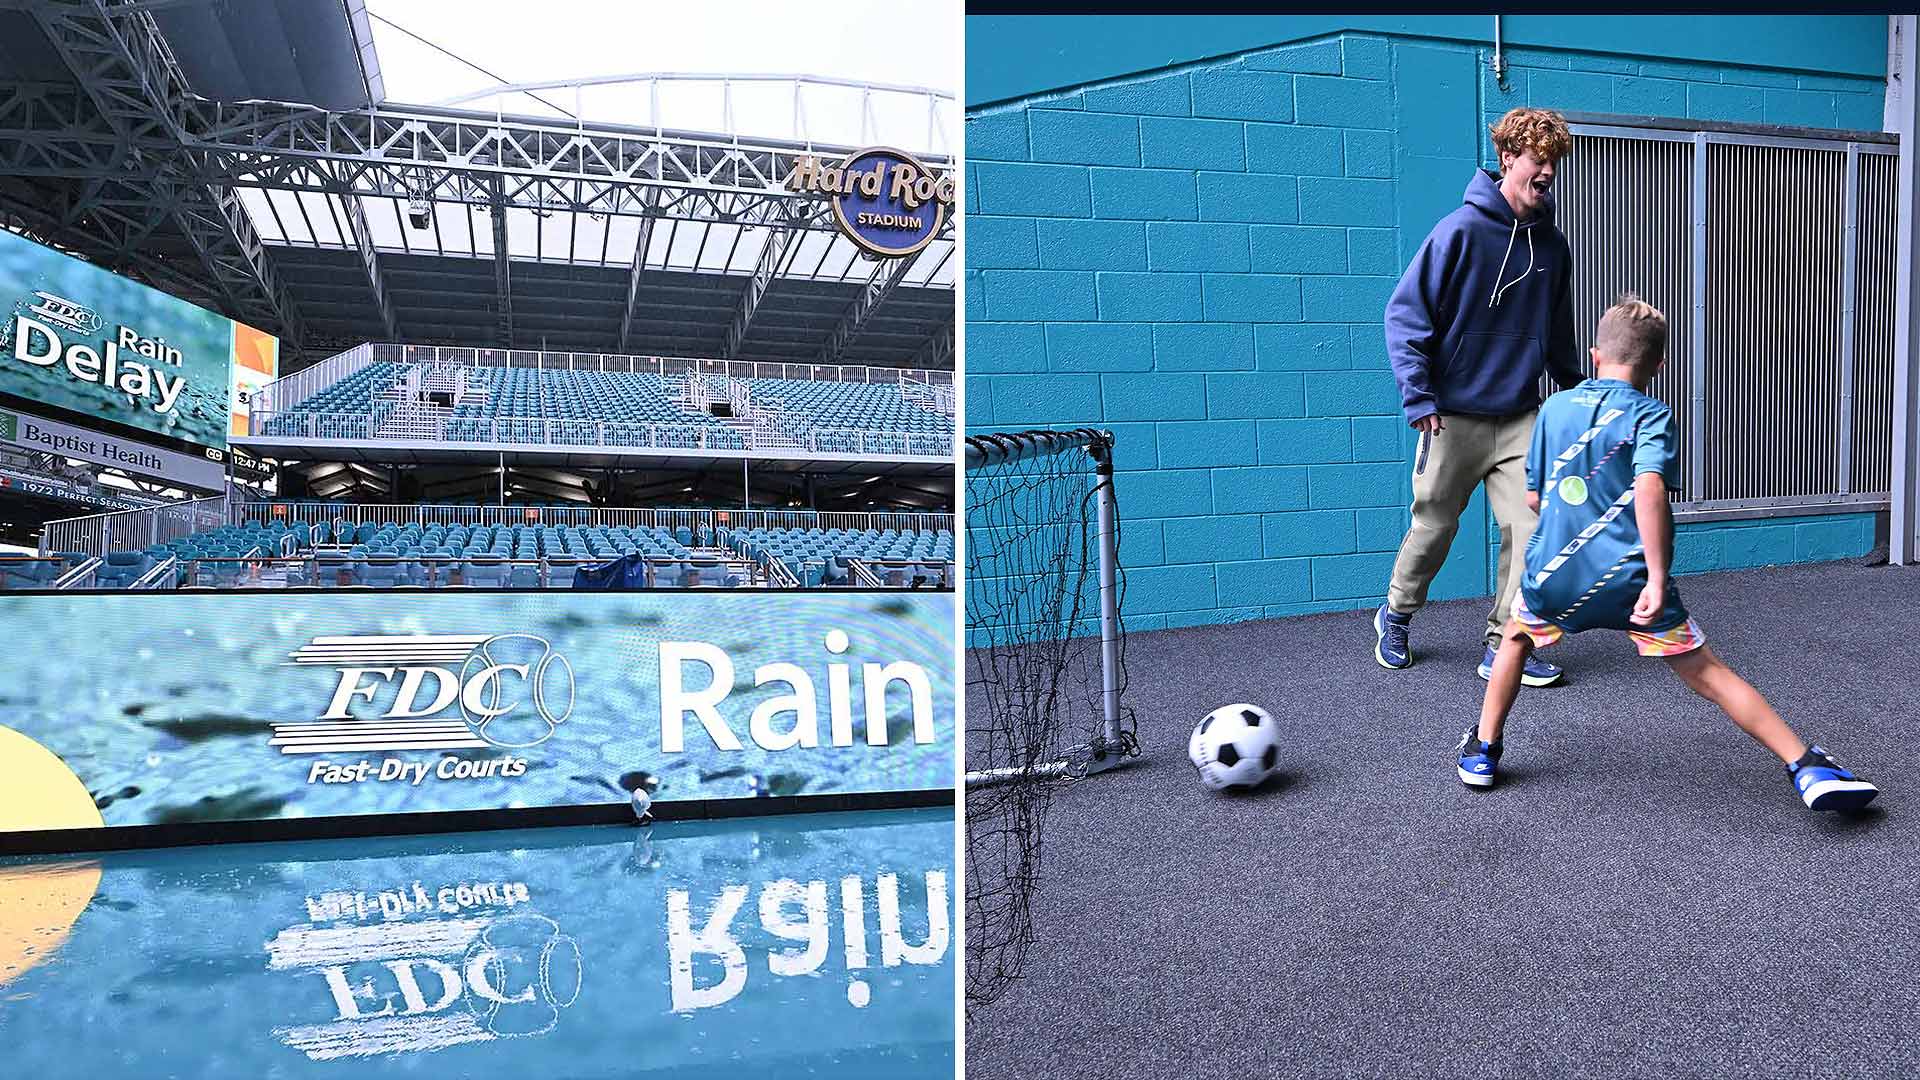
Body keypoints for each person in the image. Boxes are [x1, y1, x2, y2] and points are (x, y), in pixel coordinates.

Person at [1457, 295, 1880, 812]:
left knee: (1514, 644)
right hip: (1631, 584)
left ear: (1594, 355)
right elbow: (1650, 488)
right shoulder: (1652, 417)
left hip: (1555, 577)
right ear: (1658, 366)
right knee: (1708, 673)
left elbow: (1532, 498)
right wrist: (1656, 578)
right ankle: (1807, 766)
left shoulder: (1553, 409)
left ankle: (1483, 750)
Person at [1374, 107, 1586, 686]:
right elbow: (1405, 317)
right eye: (1537, 159)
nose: (1547, 171)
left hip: (1519, 415)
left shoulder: (1554, 247)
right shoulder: (1459, 232)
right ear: (1508, 159)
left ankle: (1505, 642)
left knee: (1531, 529)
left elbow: (1557, 328)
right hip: (1452, 416)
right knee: (1434, 525)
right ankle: (1396, 614)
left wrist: (1575, 390)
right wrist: (1420, 399)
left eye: (1554, 162)